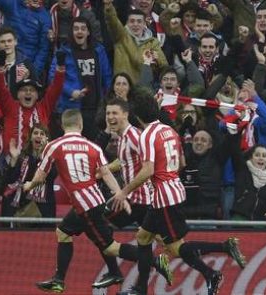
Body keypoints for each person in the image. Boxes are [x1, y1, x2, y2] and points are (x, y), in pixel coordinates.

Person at [110, 87, 247, 295]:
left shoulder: (147, 135)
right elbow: (181, 162)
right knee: (143, 237)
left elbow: (147, 170)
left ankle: (219, 258)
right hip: (171, 192)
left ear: (136, 116)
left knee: (176, 248)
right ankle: (140, 288)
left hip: (164, 197)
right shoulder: (169, 130)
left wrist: (123, 191)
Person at [22, 109, 154, 293]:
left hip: (86, 207)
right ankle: (59, 280)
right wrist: (119, 195)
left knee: (110, 247)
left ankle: (153, 260)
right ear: (81, 125)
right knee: (63, 232)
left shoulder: (53, 145)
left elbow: (40, 177)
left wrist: (28, 185)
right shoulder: (93, 147)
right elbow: (107, 173)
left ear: (62, 125)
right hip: (94, 201)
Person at [93, 98, 173, 289]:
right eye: (108, 114)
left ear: (126, 114)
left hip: (140, 199)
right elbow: (124, 161)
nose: (110, 118)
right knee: (169, 243)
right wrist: (104, 170)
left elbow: (150, 163)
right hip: (138, 200)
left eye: (114, 113)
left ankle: (117, 272)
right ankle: (147, 272)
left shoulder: (134, 136)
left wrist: (126, 191)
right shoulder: (123, 137)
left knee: (97, 225)